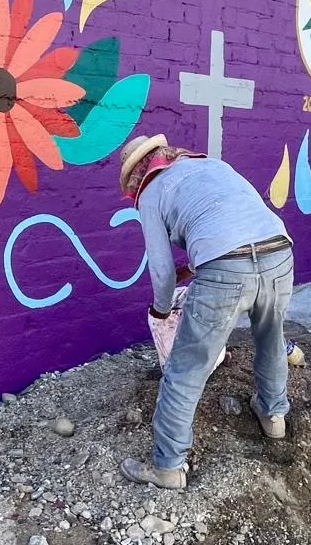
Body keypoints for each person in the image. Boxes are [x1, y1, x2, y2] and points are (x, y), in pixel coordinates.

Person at [116, 134, 293, 490]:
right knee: (271, 338)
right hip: (279, 251)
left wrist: (162, 311)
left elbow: (162, 272)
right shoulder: (213, 165)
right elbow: (237, 224)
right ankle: (274, 416)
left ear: (137, 174)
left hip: (226, 268)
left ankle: (168, 466)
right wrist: (204, 265)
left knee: (187, 366)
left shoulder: (150, 191)